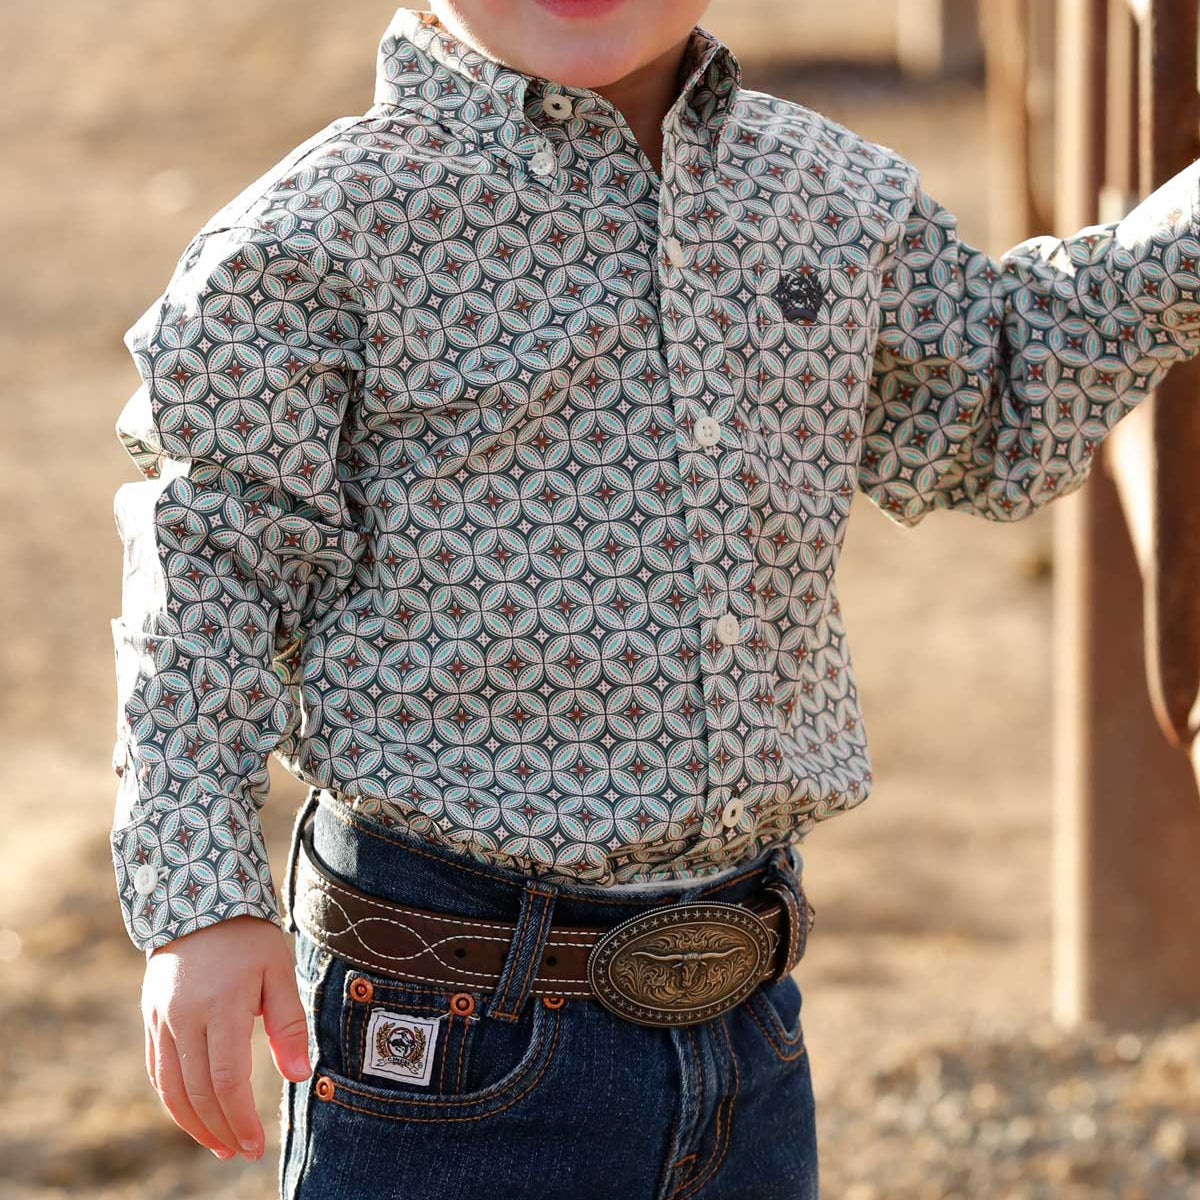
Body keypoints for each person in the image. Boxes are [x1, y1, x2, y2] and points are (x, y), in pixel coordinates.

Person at [108, 2, 1200, 1197]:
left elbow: (990, 396)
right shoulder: (314, 243)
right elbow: (207, 574)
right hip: (443, 1036)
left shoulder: (824, 193)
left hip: (745, 1028)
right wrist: (202, 902)